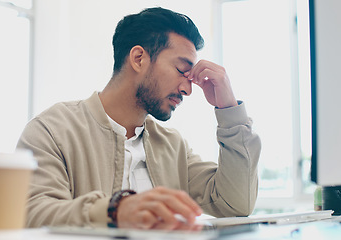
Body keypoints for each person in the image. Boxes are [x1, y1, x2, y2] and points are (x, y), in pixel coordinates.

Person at [17, 7, 261, 230]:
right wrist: (115, 210)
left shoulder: (173, 145)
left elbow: (236, 204)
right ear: (138, 58)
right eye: (181, 70)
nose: (188, 89)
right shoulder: (52, 130)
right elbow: (32, 213)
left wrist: (229, 109)